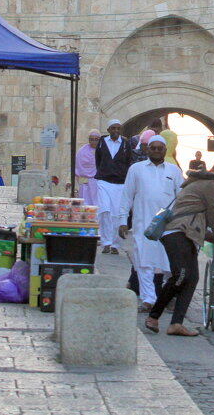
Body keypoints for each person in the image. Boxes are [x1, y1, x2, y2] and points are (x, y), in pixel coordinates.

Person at [144, 160, 214, 337]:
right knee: (181, 274)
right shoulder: (211, 184)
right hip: (177, 232)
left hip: (185, 234)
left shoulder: (197, 183)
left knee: (192, 278)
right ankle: (154, 316)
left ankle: (176, 323)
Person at [117, 135, 184, 313]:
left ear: (165, 150)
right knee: (143, 263)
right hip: (143, 223)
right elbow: (127, 196)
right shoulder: (136, 169)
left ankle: (165, 297)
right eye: (152, 148)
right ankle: (148, 299)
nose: (156, 151)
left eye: (159, 148)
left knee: (169, 264)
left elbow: (182, 197)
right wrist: (122, 220)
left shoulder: (174, 171)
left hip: (168, 225)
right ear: (147, 149)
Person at [95, 119, 134, 255]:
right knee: (105, 211)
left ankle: (115, 244)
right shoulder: (102, 142)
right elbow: (98, 160)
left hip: (120, 184)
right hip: (104, 182)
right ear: (108, 130)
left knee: (117, 214)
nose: (116, 131)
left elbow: (128, 162)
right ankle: (106, 242)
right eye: (113, 128)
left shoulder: (125, 145)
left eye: (118, 128)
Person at [74, 130, 100, 206]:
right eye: (92, 139)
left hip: (97, 182)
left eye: (96, 139)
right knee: (84, 205)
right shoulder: (82, 151)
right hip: (84, 182)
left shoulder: (102, 150)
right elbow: (75, 166)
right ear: (89, 140)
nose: (94, 142)